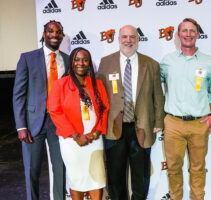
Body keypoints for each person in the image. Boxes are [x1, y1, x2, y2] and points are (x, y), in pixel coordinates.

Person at [96, 25, 164, 200]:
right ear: (118, 39)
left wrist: (158, 122)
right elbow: (99, 97)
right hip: (114, 128)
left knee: (141, 177)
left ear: (138, 40)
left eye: (132, 37)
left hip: (141, 126)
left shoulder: (151, 64)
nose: (128, 40)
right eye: (124, 37)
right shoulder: (105, 62)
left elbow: (158, 95)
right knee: (115, 176)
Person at [160, 18, 211, 200]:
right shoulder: (167, 61)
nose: (188, 34)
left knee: (198, 169)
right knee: (173, 168)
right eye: (184, 31)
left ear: (198, 35)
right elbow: (155, 89)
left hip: (199, 123)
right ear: (178, 35)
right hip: (173, 123)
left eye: (192, 31)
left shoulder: (209, 62)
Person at [13, 20, 68, 200]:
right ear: (44, 34)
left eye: (58, 32)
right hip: (32, 123)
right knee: (32, 170)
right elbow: (19, 94)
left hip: (58, 124)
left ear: (62, 35)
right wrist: (21, 126)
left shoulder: (67, 61)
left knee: (60, 167)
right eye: (51, 31)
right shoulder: (27, 58)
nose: (54, 35)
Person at [49, 47, 109, 200]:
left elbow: (104, 109)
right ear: (71, 62)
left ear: (89, 63)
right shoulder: (60, 84)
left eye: (85, 59)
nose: (80, 63)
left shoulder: (97, 84)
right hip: (71, 141)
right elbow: (55, 111)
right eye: (77, 59)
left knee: (97, 178)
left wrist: (97, 131)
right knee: (77, 180)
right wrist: (76, 136)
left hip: (94, 139)